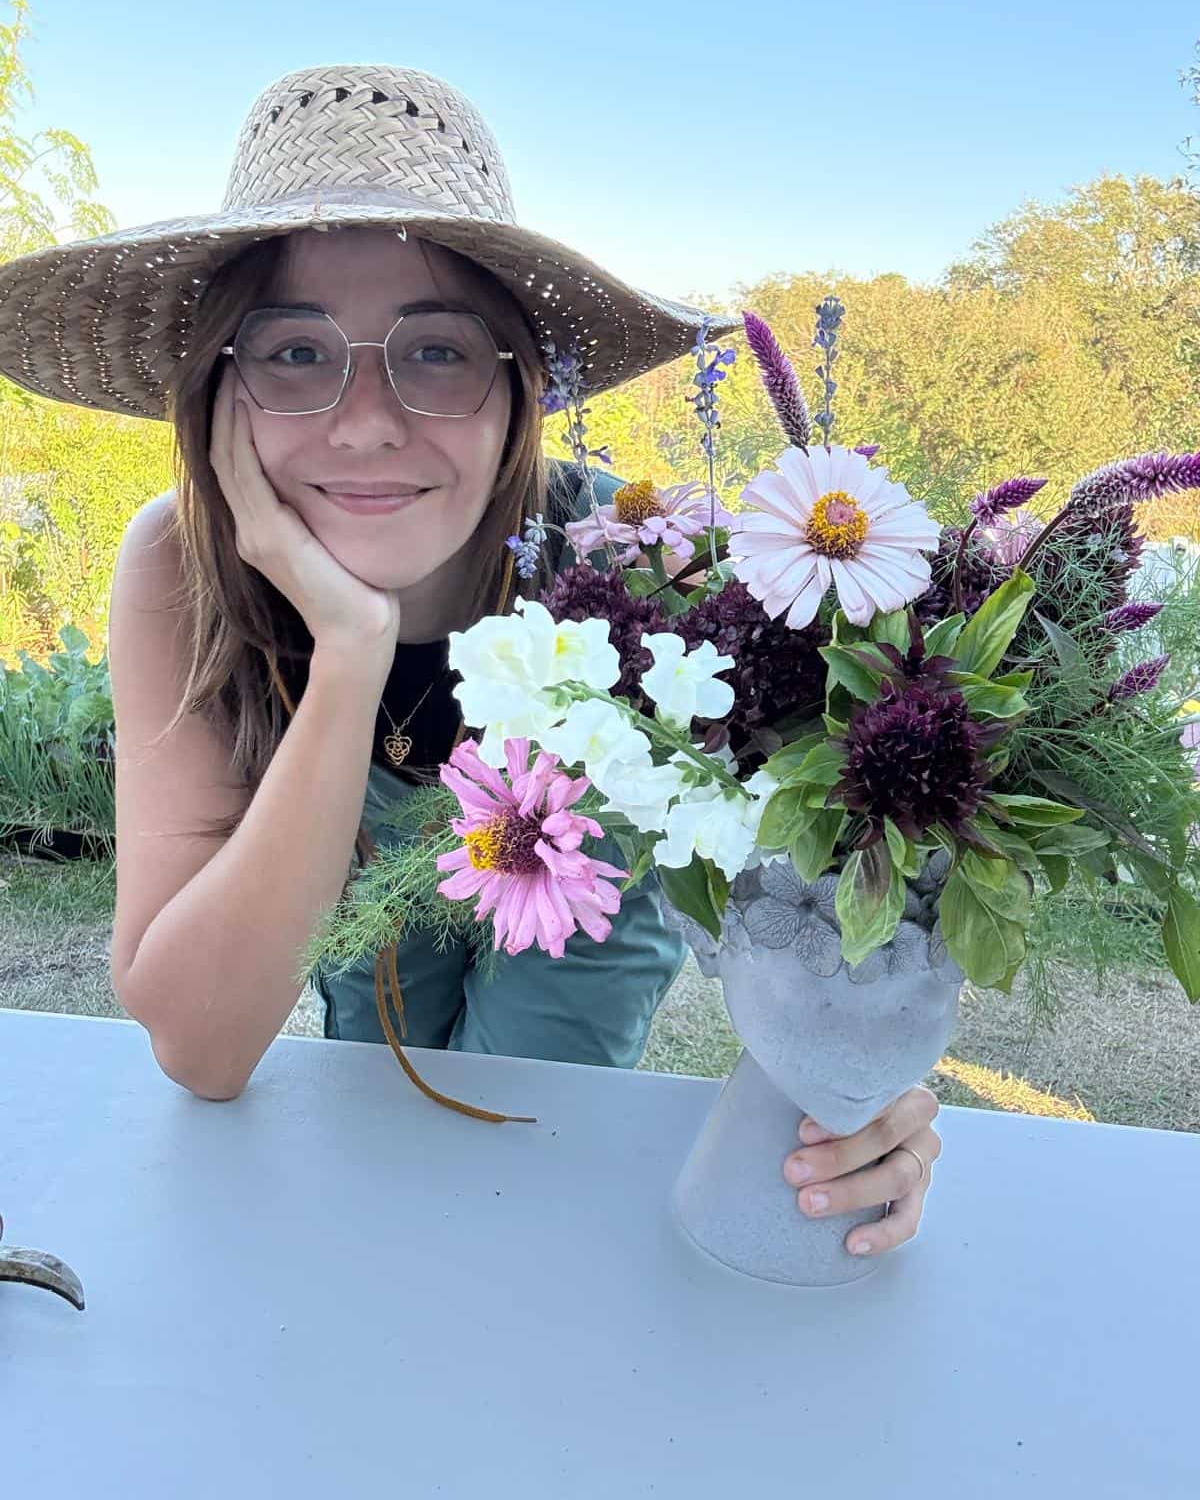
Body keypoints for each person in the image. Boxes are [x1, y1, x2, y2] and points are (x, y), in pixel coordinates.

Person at [0, 63, 941, 1259]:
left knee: (510, 1175)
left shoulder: (648, 577)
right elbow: (201, 1043)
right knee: (373, 1109)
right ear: (219, 391)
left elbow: (846, 892)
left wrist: (870, 1095)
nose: (366, 420)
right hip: (358, 935)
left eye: (435, 351)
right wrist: (347, 655)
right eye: (294, 352)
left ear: (519, 389)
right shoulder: (182, 572)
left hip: (574, 933)